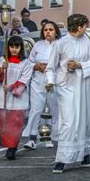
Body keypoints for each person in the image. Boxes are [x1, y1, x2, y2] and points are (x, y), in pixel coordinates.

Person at [46, 14, 90, 174]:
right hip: (67, 86)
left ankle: (85, 154)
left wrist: (80, 65)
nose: (86, 29)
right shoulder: (60, 44)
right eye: (85, 26)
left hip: (84, 85)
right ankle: (62, 159)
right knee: (68, 121)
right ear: (80, 26)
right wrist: (50, 81)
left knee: (85, 119)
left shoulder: (86, 41)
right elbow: (51, 66)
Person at [0, 36, 33, 160]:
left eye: (17, 47)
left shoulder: (26, 63)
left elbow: (24, 80)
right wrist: (2, 69)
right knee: (5, 123)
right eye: (11, 46)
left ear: (21, 48)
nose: (14, 49)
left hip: (17, 99)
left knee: (16, 123)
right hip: (3, 98)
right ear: (8, 48)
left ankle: (12, 148)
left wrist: (10, 87)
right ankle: (8, 144)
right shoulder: (1, 60)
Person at [22, 21, 61, 150]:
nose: (48, 32)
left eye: (51, 29)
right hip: (38, 80)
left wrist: (51, 68)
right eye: (45, 30)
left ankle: (51, 137)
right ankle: (32, 138)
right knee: (36, 109)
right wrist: (36, 66)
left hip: (54, 81)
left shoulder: (60, 45)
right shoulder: (38, 45)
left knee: (53, 109)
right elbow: (29, 61)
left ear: (56, 32)